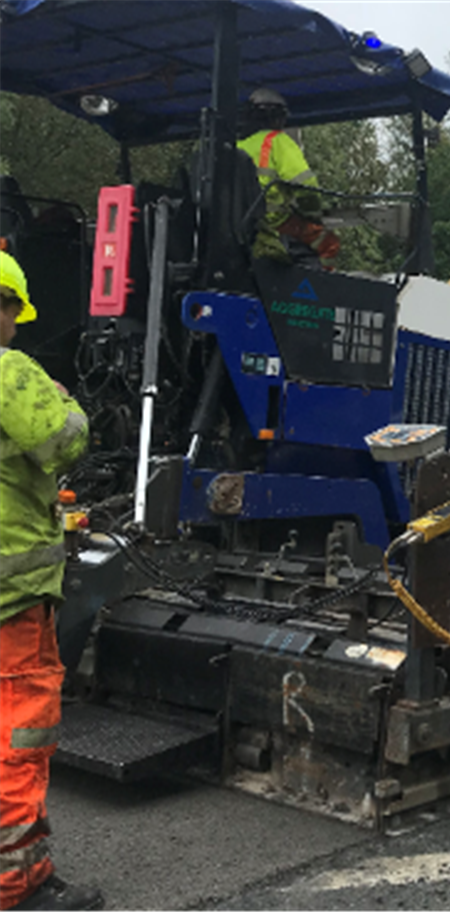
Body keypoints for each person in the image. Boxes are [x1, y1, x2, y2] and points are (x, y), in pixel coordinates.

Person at [0, 251, 100, 912]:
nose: (13, 322)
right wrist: (64, 398)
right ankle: (17, 886)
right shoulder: (7, 370)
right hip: (10, 604)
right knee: (18, 734)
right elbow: (66, 439)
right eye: (12, 309)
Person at [236, 87, 340, 269]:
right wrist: (313, 214)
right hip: (274, 222)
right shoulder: (276, 141)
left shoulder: (238, 146)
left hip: (242, 226)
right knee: (328, 243)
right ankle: (319, 289)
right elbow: (306, 186)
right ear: (276, 117)